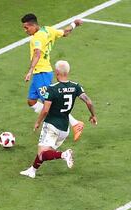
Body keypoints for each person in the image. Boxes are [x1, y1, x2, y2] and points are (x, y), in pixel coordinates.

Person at [20, 60, 97, 179]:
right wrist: (93, 115)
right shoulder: (76, 86)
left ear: (56, 72)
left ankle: (64, 155)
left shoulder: (52, 89)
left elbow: (45, 110)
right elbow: (89, 101)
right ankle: (32, 170)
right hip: (65, 129)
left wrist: (38, 122)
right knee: (45, 152)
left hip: (51, 126)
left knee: (42, 153)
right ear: (68, 72)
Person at [21, 13, 86, 141]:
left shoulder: (37, 38)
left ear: (33, 25)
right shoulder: (48, 30)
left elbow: (37, 53)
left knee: (49, 104)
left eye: (26, 28)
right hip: (42, 73)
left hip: (42, 73)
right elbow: (65, 32)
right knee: (31, 101)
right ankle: (58, 120)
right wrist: (74, 24)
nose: (25, 31)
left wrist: (30, 70)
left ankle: (75, 124)